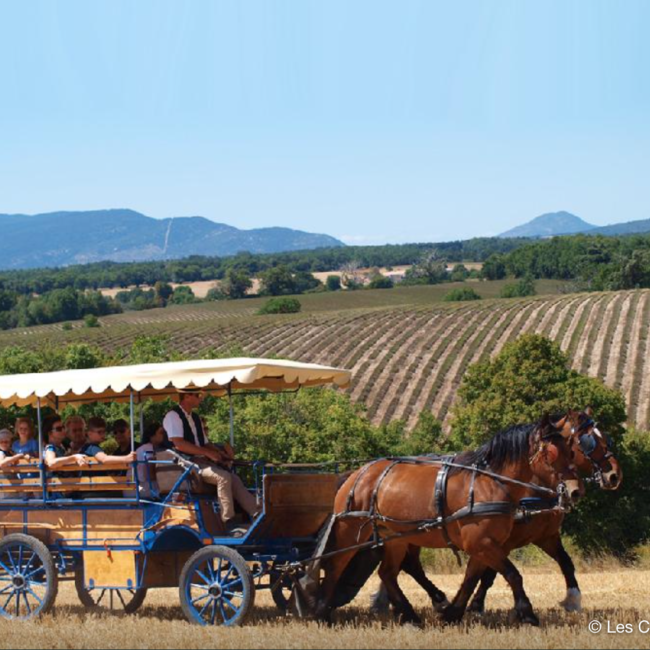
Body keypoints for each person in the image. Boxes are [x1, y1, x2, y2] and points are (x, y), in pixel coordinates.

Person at [162, 389, 259, 528]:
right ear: (187, 396)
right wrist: (207, 453)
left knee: (234, 478)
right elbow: (179, 444)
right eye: (198, 395)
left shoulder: (195, 417)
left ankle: (257, 513)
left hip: (200, 461)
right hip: (185, 464)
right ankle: (228, 521)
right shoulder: (173, 416)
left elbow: (206, 443)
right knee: (223, 477)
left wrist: (220, 453)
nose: (201, 398)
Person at [135, 422, 168, 498]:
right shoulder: (148, 448)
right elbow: (149, 474)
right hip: (142, 487)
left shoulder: (148, 448)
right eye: (161, 433)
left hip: (139, 485)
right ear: (152, 436)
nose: (164, 435)